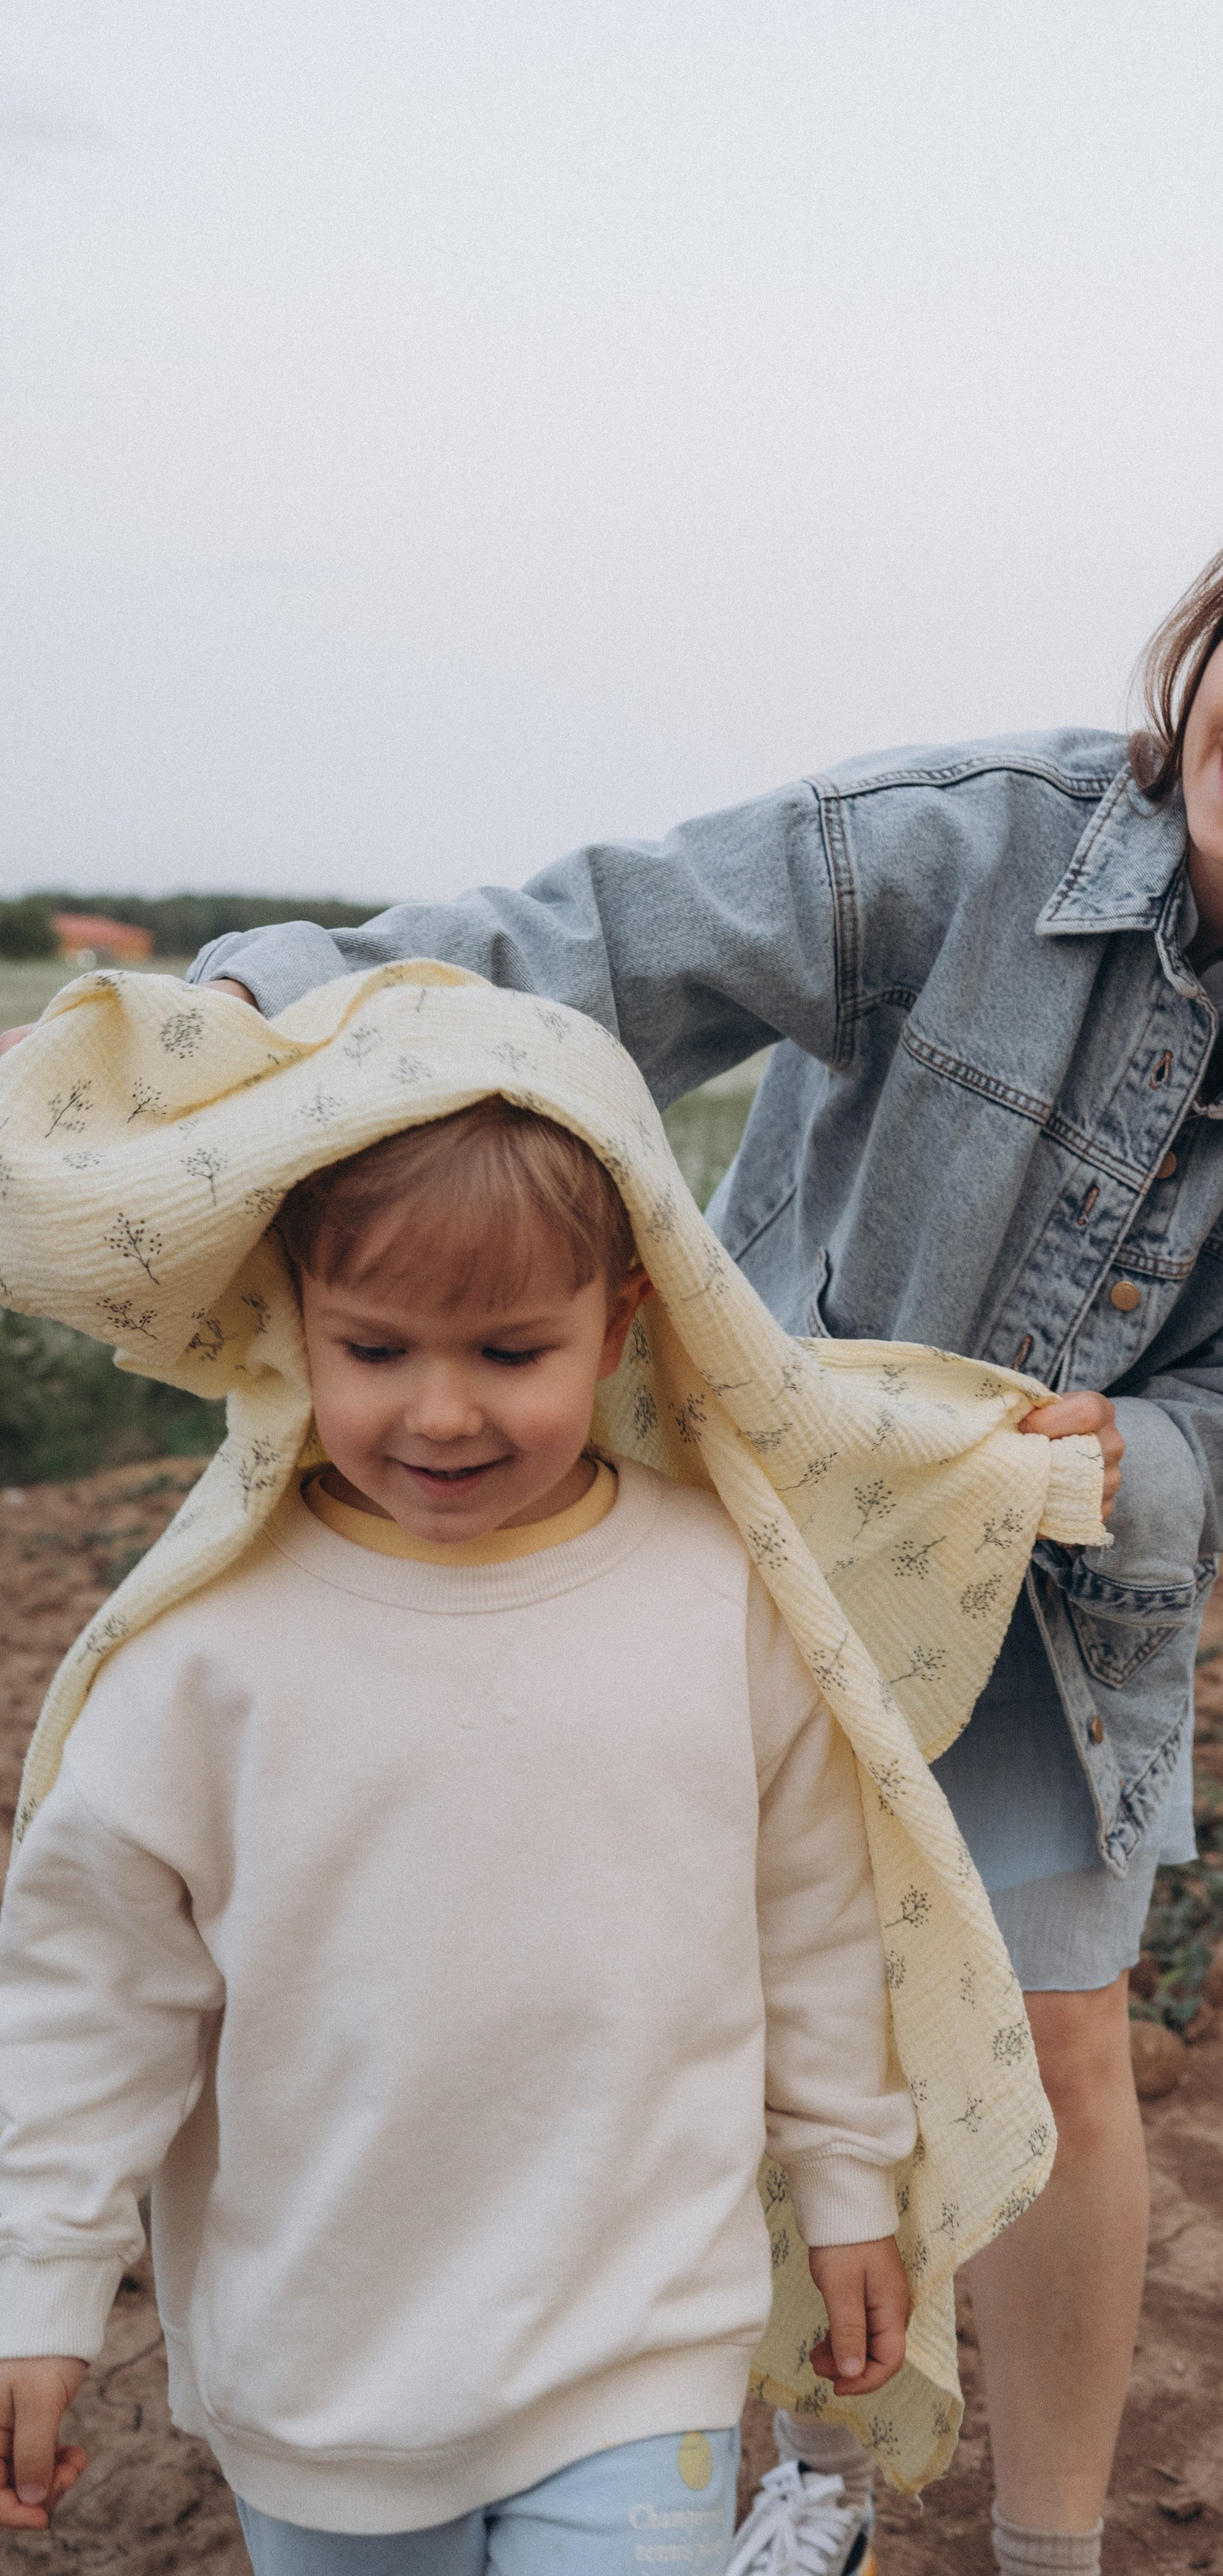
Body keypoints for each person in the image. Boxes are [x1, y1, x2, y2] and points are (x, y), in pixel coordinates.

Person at [19, 472, 1223, 2576]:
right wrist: (254, 1003)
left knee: (1059, 2042)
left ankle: (1051, 2542)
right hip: (758, 1530)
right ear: (1211, 640)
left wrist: (1139, 1456)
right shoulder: (971, 838)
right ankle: (749, 2471)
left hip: (1046, 1583)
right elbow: (595, 945)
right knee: (705, 1991)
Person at [0, 1092, 921, 2574]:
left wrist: (846, 2182)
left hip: (639, 2329)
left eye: (509, 1352)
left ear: (619, 1324)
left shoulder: (718, 1596)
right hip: (326, 2374)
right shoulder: (203, 1660)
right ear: (295, 1323)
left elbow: (809, 1917)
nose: (441, 1410)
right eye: (375, 1350)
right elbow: (94, 2001)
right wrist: (38, 2290)